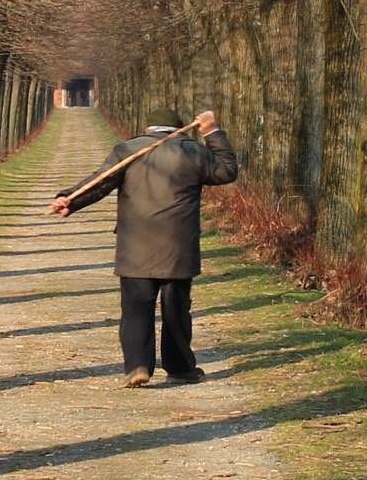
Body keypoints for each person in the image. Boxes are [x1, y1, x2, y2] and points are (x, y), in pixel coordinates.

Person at [48, 110, 239, 387]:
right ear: (180, 129)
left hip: (135, 245)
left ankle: (137, 366)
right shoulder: (194, 152)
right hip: (178, 245)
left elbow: (100, 182)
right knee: (176, 310)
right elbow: (227, 171)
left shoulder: (128, 150)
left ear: (149, 129)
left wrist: (70, 200)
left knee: (136, 308)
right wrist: (212, 132)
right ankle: (180, 369)